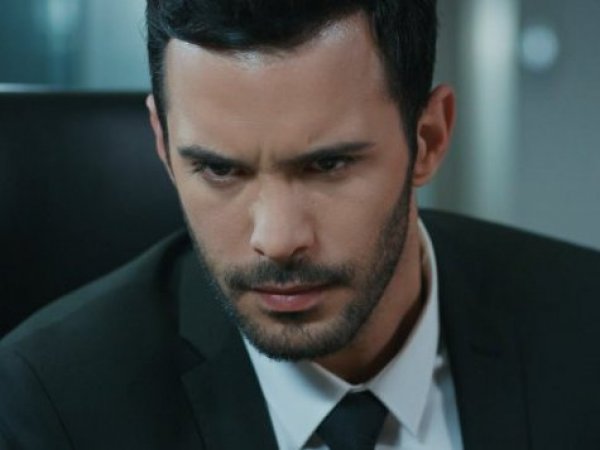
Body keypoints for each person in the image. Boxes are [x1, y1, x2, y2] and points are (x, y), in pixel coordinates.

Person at [1, 0, 599, 449]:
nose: (278, 239)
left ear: (429, 138)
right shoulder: (52, 406)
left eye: (328, 165)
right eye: (219, 169)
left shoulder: (585, 331)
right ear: (162, 144)